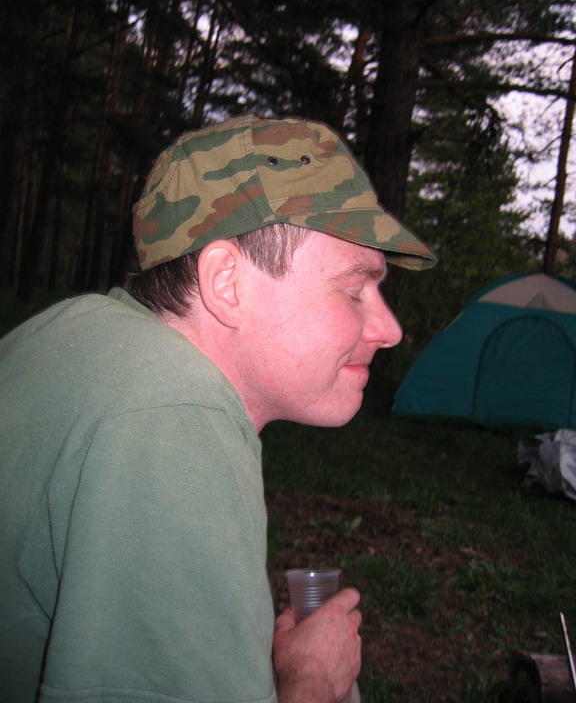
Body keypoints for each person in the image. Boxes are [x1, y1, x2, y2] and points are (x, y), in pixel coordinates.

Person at [0, 114, 436, 703]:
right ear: (227, 282)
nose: (390, 329)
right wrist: (311, 678)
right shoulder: (174, 417)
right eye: (355, 289)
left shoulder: (69, 332)